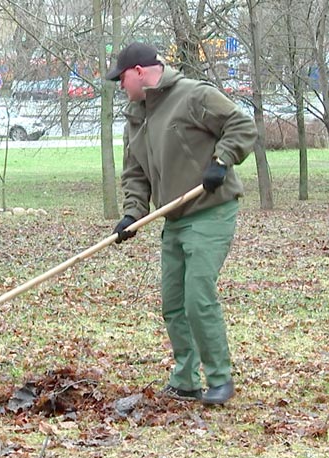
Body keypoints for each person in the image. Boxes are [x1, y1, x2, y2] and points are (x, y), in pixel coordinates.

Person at [107, 42, 257, 405]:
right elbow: (135, 173)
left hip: (210, 210)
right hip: (173, 218)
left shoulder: (193, 95)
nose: (120, 85)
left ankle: (220, 379)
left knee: (197, 298)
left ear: (140, 71)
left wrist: (221, 162)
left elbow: (241, 125)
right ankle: (186, 379)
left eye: (122, 78)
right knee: (173, 303)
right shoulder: (136, 116)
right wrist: (132, 213)